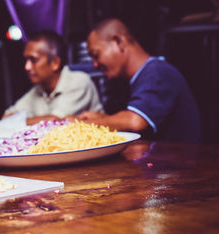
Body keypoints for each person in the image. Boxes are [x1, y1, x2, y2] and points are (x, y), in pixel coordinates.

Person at [66, 18, 202, 143]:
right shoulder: (145, 75)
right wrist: (102, 119)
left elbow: (135, 122)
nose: (95, 64)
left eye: (96, 55)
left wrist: (78, 124)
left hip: (182, 166)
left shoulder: (157, 72)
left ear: (118, 42)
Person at [0, 30, 104, 128]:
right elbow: (7, 116)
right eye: (26, 60)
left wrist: (2, 124)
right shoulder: (38, 90)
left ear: (55, 63)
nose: (27, 67)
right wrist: (5, 122)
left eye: (33, 60)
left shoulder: (79, 81)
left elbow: (55, 121)